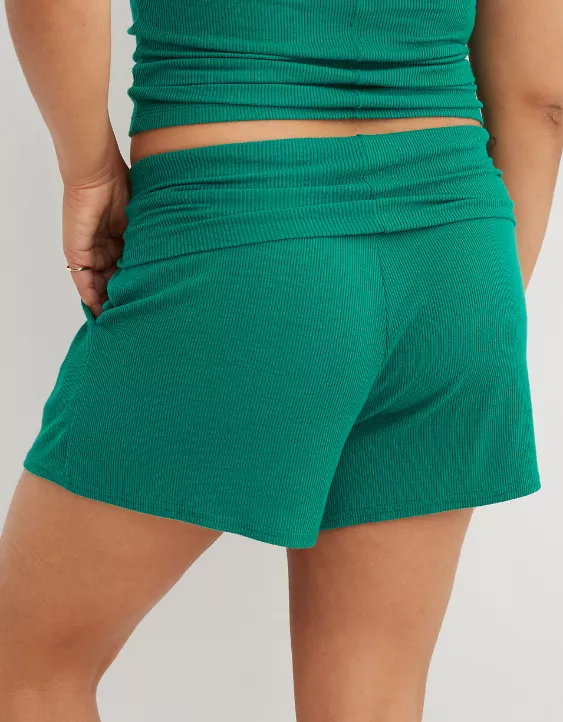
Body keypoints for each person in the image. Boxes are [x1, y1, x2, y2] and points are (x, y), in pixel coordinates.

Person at [1, 0, 561, 719]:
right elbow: (542, 101)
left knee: (25, 671)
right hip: (458, 255)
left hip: (244, 226)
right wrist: (476, 305)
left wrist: (89, 173)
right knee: (373, 700)